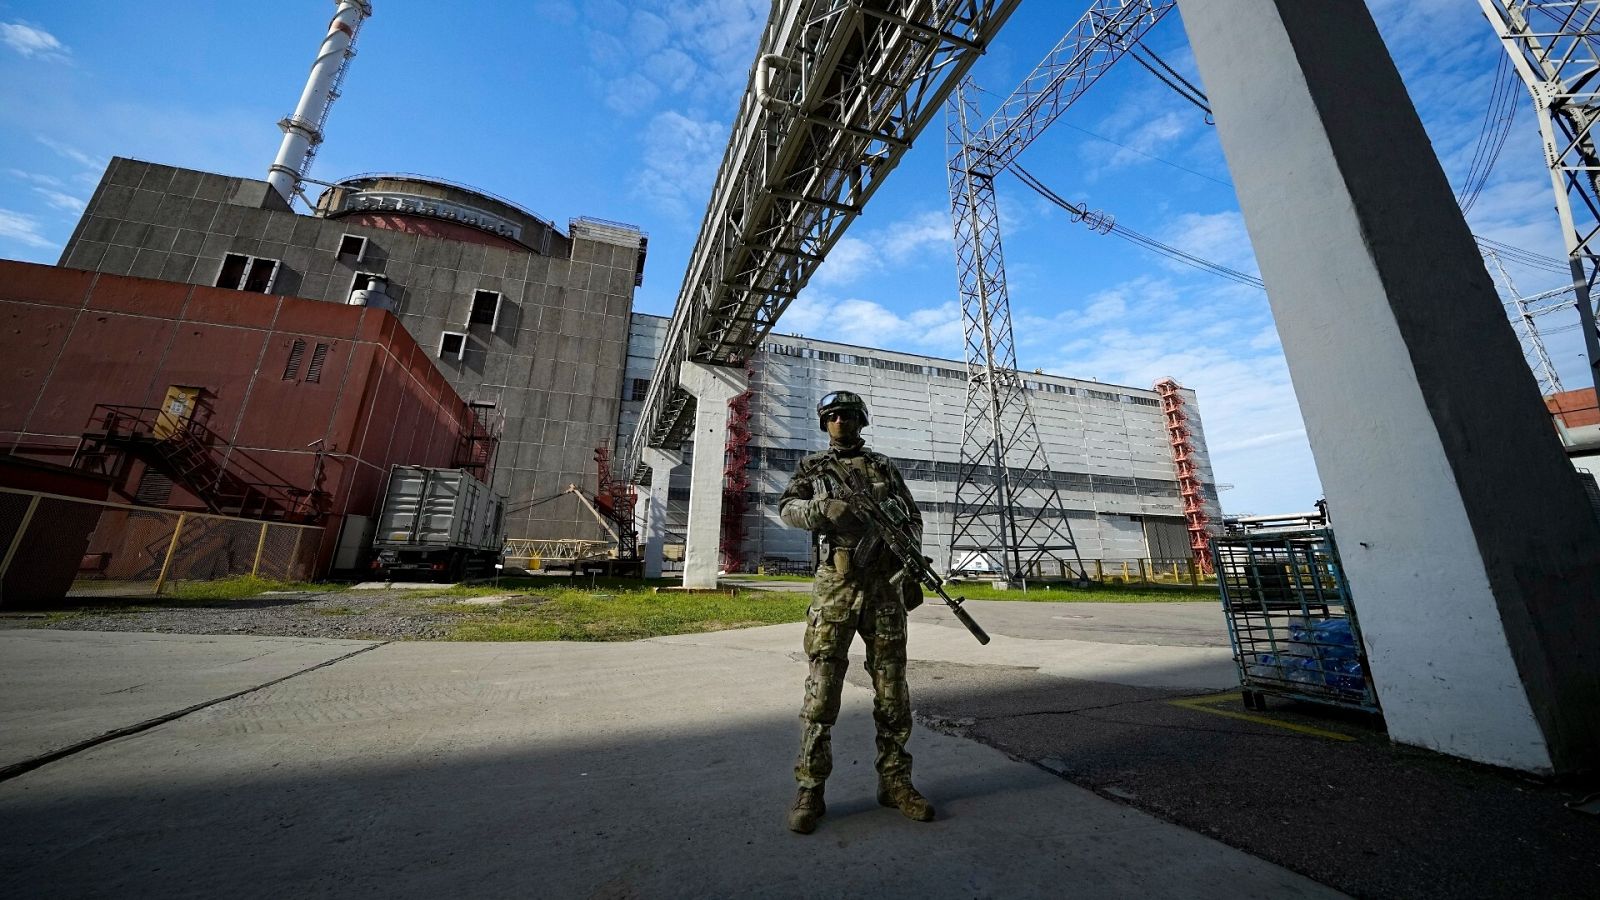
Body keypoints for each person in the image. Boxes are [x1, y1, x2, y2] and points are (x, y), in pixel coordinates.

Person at [777, 390, 934, 834]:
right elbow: (786, 508)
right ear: (824, 424)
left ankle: (896, 782)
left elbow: (912, 518)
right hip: (836, 590)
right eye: (832, 416)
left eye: (847, 415)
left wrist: (910, 559)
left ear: (862, 421)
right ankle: (810, 789)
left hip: (884, 590)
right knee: (822, 693)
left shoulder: (884, 467)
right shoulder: (813, 468)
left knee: (892, 694)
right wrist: (819, 509)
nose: (840, 422)